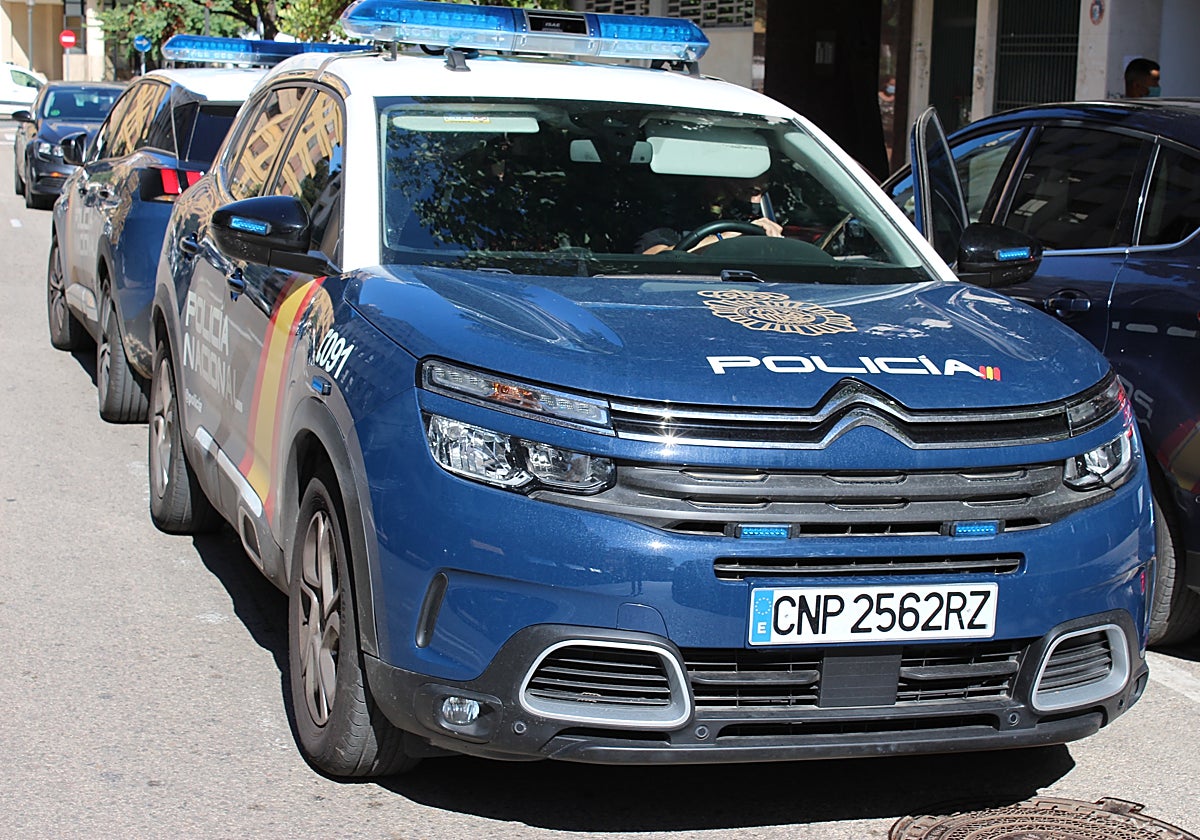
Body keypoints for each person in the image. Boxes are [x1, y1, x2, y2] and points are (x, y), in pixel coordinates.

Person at [636, 177, 784, 254]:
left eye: (763, 193)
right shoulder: (670, 216)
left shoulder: (751, 217)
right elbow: (653, 259)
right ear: (714, 181)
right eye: (749, 192)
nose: (757, 201)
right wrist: (725, 237)